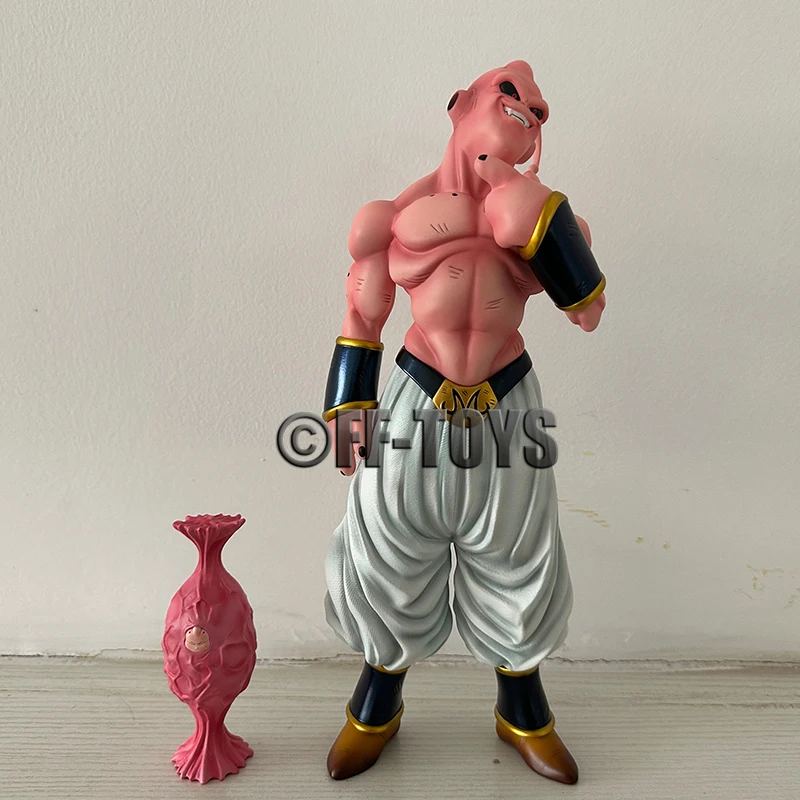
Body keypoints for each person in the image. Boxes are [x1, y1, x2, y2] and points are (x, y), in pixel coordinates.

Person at [321, 60, 606, 785]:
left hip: (507, 400)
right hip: (417, 398)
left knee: (519, 555)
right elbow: (362, 310)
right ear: (460, 106)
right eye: (511, 93)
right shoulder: (392, 219)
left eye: (540, 109)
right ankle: (377, 704)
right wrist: (348, 407)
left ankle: (523, 711)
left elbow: (588, 311)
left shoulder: (548, 218)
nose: (529, 110)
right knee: (386, 550)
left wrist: (539, 221)